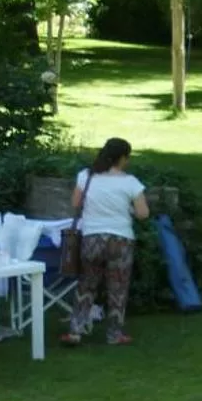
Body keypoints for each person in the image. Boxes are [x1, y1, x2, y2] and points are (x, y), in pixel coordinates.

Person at [61, 137, 149, 347]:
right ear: (122, 158)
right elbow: (143, 213)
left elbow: (75, 203)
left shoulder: (86, 176)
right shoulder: (131, 183)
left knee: (87, 284)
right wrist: (126, 209)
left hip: (92, 237)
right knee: (117, 288)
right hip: (121, 239)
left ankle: (76, 330)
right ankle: (114, 334)